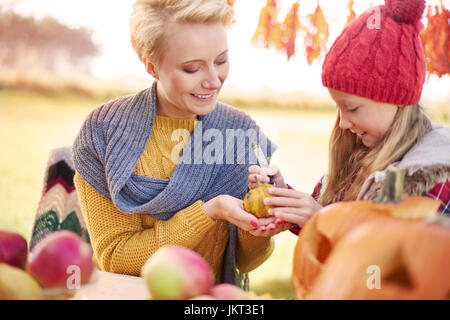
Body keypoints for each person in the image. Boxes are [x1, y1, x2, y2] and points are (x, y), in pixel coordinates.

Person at [72, 0, 288, 285]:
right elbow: (115, 256)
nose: (213, 81)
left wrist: (259, 217)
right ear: (152, 66)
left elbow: (246, 262)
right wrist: (209, 212)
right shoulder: (104, 134)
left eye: (221, 61)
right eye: (191, 69)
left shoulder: (239, 133)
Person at [248, 0, 450, 234]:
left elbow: (396, 262)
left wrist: (324, 220)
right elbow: (319, 216)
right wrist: (285, 196)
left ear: (395, 99)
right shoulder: (360, 153)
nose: (343, 123)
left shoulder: (430, 174)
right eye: (338, 108)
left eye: (352, 108)